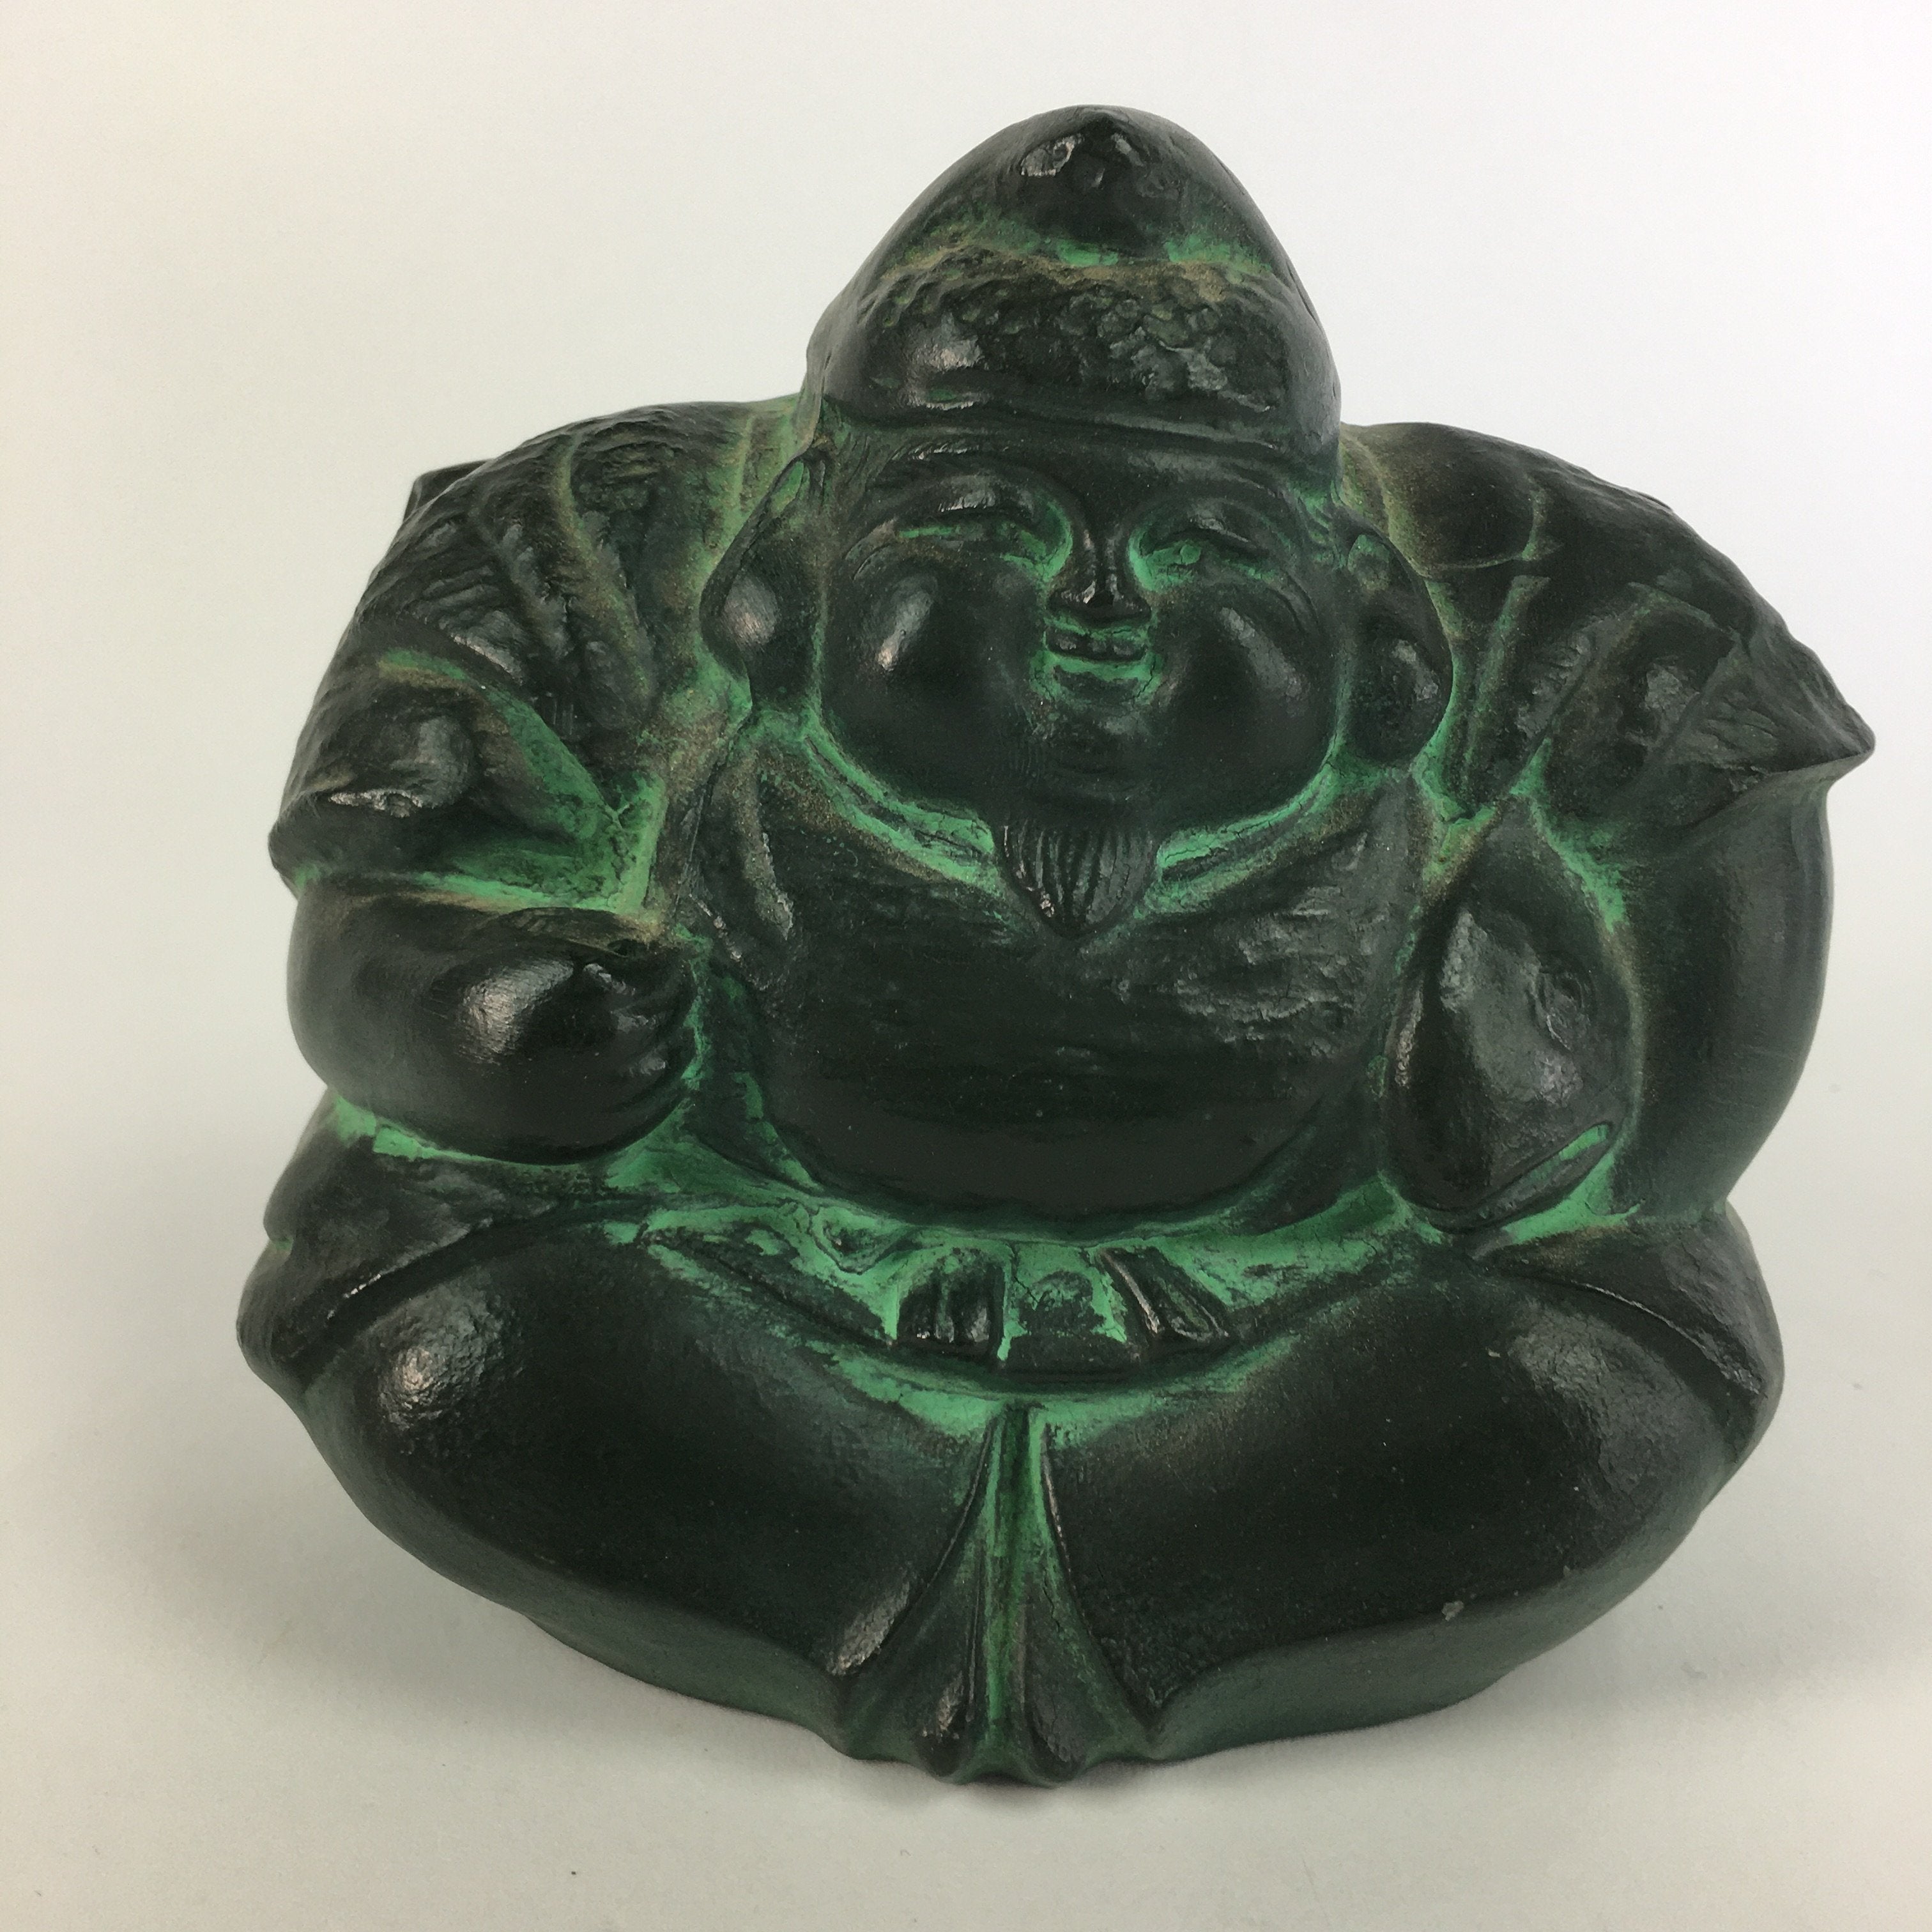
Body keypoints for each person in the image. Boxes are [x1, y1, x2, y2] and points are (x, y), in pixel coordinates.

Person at [241, 106, 1871, 1782]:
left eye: (1200, 549)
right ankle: (869, 1584)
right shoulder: (582, 562)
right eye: (988, 530)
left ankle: (1147, 1615)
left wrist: (1544, 1105)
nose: (1101, 613)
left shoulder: (1526, 644)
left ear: (1372, 625)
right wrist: (485, 1025)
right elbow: (367, 941)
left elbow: (1678, 1083)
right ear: (785, 580)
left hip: (1293, 1349)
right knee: (438, 1351)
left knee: (1597, 1402)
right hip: (751, 1297)